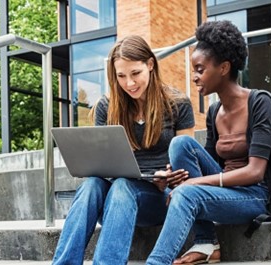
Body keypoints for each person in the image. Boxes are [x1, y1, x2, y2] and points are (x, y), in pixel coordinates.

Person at [52, 35, 196, 265]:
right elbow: (103, 165)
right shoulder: (106, 107)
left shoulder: (177, 103)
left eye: (135, 73)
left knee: (122, 186)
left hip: (160, 199)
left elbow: (188, 168)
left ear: (150, 64)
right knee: (91, 185)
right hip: (117, 202)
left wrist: (167, 179)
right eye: (121, 76)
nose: (129, 83)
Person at [146, 20, 271, 265]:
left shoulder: (259, 103)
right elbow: (204, 165)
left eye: (199, 69)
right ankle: (206, 241)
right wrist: (173, 178)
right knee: (180, 145)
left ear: (224, 67)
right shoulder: (215, 111)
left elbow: (256, 172)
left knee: (187, 194)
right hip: (225, 188)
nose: (194, 77)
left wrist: (192, 185)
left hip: (255, 196)